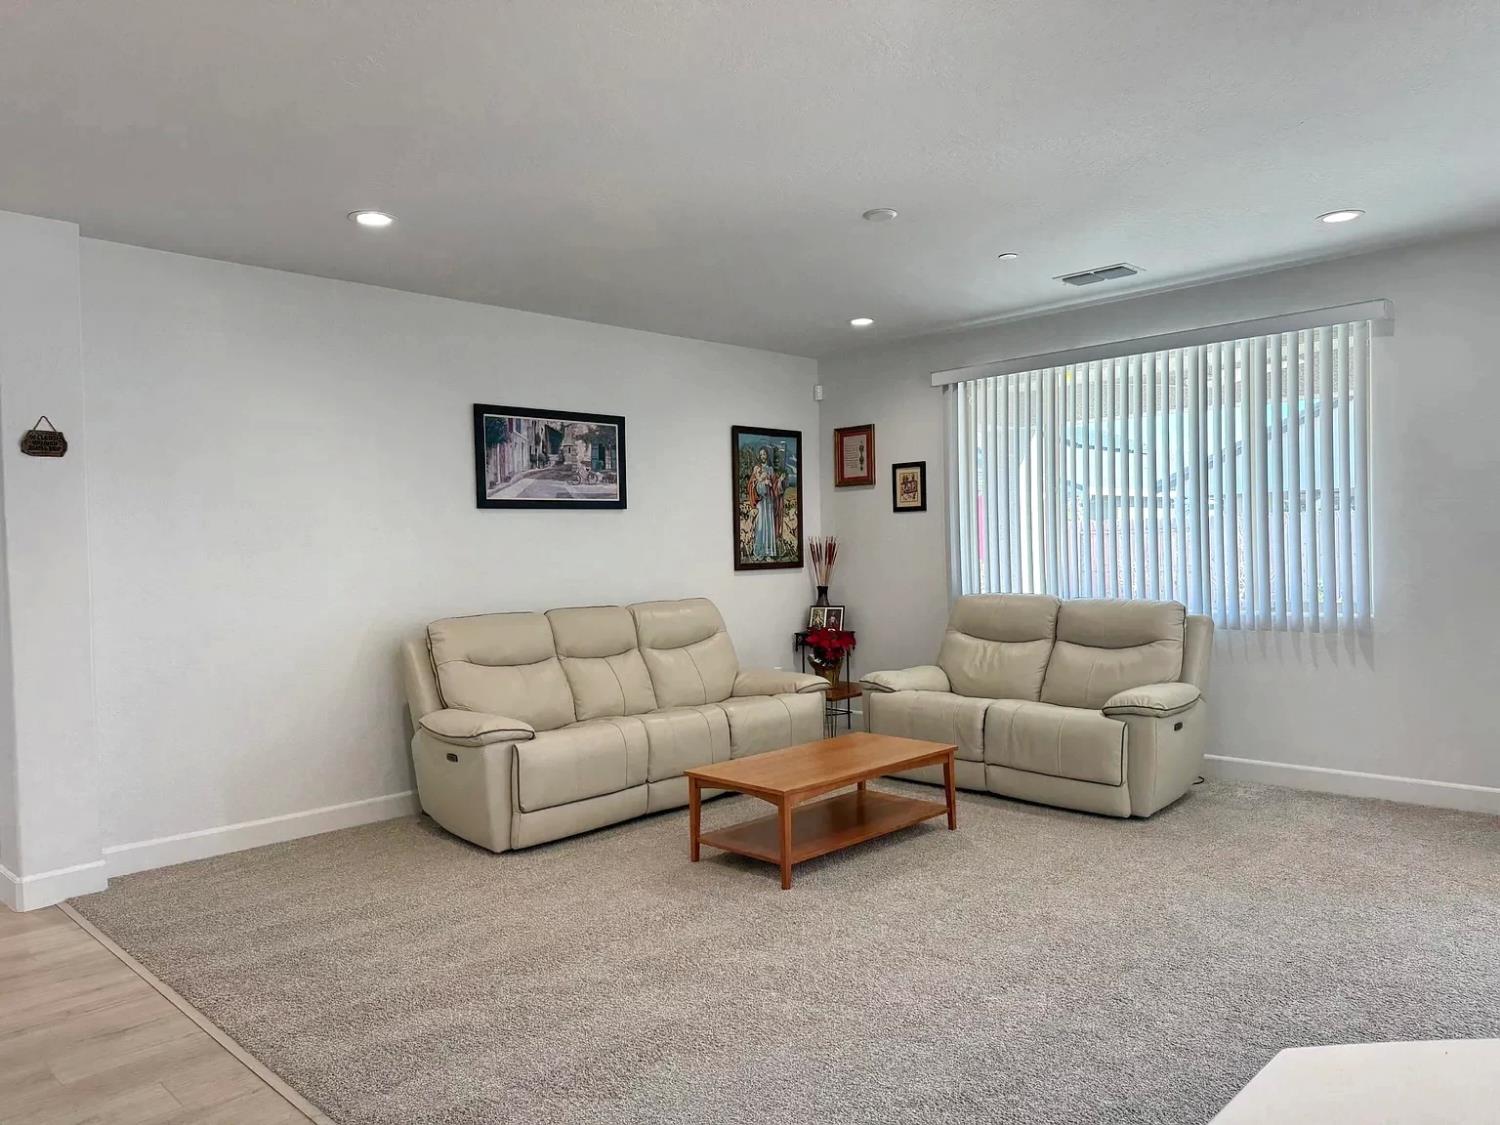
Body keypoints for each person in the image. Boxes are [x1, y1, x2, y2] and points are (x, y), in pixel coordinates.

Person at [746, 446, 783, 559]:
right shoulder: (757, 468)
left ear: (767, 455)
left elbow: (775, 487)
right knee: (761, 526)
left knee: (769, 526)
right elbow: (752, 486)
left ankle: (769, 553)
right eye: (761, 454)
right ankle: (760, 552)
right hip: (761, 502)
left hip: (769, 502)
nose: (763, 456)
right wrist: (762, 483)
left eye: (764, 454)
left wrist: (779, 481)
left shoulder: (770, 470)